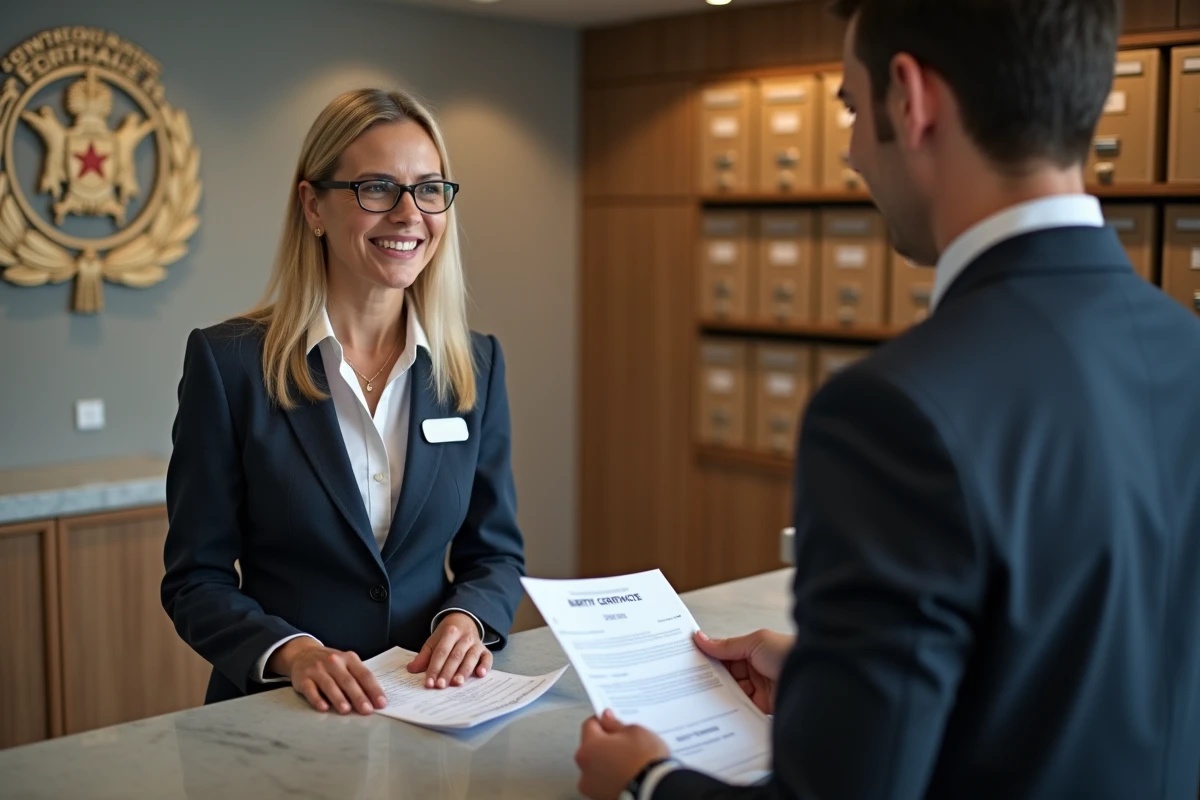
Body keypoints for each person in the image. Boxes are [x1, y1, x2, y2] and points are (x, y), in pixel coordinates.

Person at [574, 0, 1200, 797]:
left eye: (851, 108)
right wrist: (831, 679)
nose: (851, 152)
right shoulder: (1187, 351)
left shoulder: (893, 413)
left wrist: (647, 781)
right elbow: (1085, 679)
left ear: (911, 99)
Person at [161, 89, 525, 715]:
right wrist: (292, 651)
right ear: (313, 205)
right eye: (377, 188)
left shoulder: (477, 364)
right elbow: (196, 579)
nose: (410, 213)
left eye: (429, 188)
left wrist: (467, 619)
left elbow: (493, 552)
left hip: (432, 707)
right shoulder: (230, 365)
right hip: (281, 712)